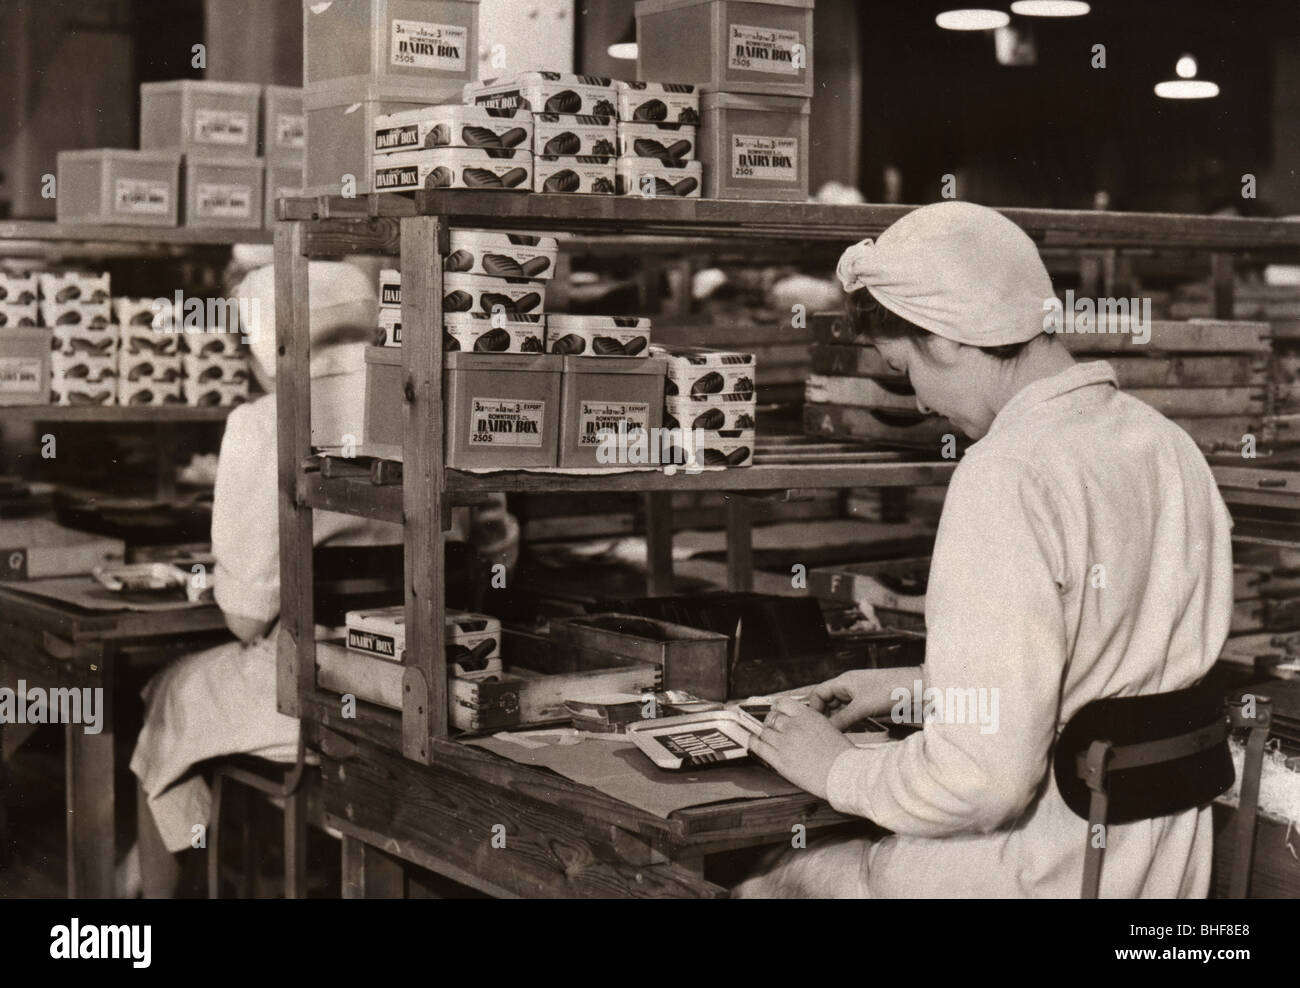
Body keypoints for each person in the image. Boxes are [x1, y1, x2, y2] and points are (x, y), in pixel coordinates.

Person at [735, 201, 1234, 898]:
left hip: (1035, 872)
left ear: (947, 337)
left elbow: (985, 784)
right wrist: (920, 688)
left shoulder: (1006, 472)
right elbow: (1109, 677)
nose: (919, 402)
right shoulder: (1162, 443)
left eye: (903, 370)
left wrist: (835, 769)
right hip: (1154, 875)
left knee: (771, 878)